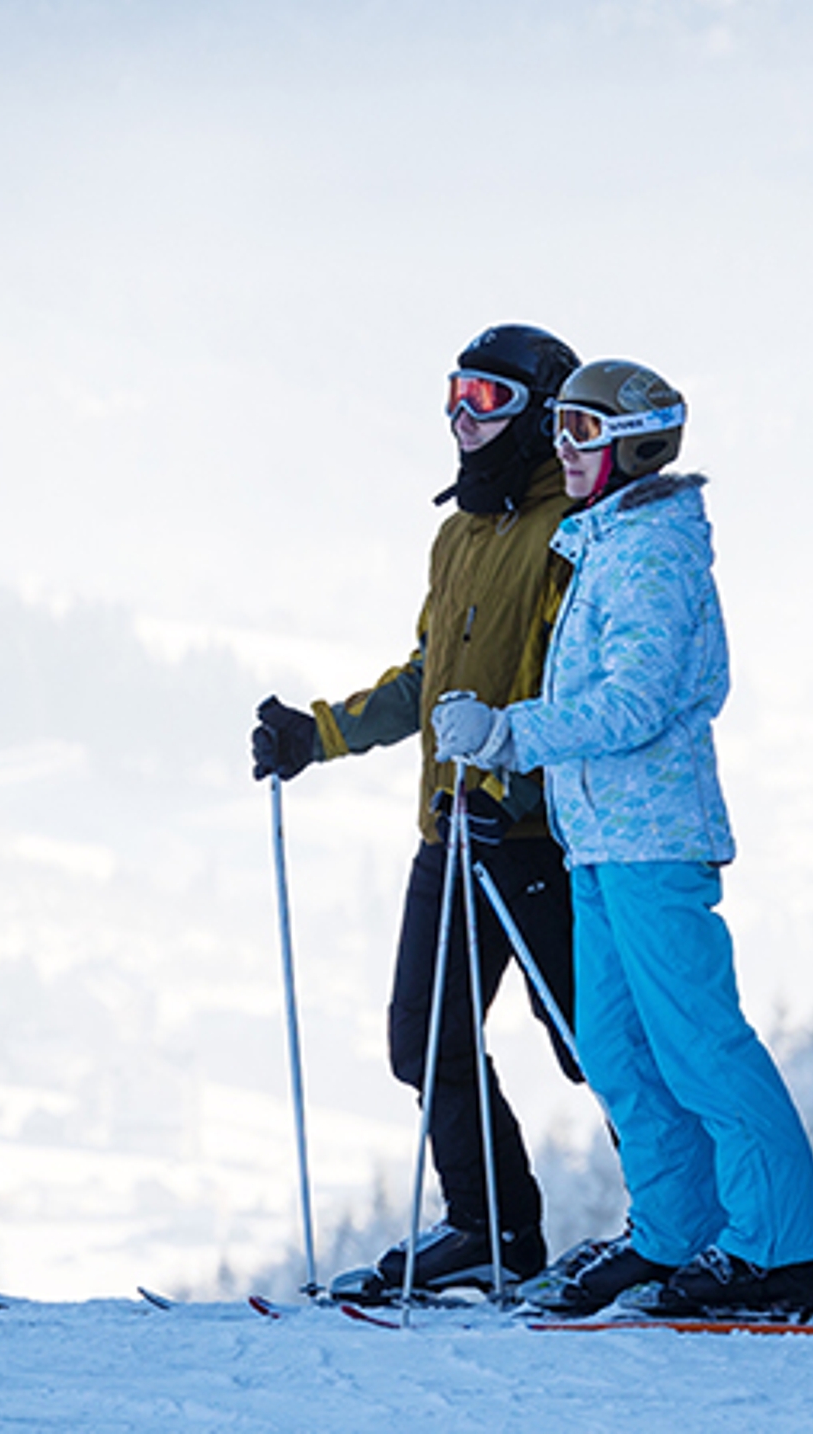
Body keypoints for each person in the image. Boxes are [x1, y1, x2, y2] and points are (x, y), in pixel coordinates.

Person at [429, 358, 813, 1319]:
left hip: (655, 835)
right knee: (617, 1048)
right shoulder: (604, 543)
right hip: (595, 838)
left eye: (583, 433)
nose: (564, 451)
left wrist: (509, 732)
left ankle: (780, 1247)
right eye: (561, 431)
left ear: (636, 443)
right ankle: (676, 1230)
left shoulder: (654, 549)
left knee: (697, 1040)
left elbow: (637, 700)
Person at [249, 322, 583, 1300]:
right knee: (423, 1043)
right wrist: (320, 735)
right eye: (453, 394)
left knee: (592, 1047)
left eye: (487, 400)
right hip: (451, 836)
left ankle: (681, 1228)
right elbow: (428, 681)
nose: (460, 418)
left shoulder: (572, 531)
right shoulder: (459, 534)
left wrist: (519, 790)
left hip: (537, 844)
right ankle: (493, 1233)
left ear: (539, 415)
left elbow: (576, 692)